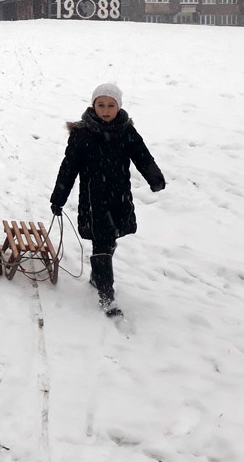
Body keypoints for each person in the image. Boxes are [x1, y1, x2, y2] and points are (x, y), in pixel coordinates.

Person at [50, 83, 165, 318]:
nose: (105, 110)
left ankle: (96, 276)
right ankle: (106, 295)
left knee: (110, 241)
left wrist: (155, 178)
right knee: (101, 244)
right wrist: (59, 198)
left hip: (119, 198)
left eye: (110, 105)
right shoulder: (82, 134)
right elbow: (68, 168)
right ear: (93, 106)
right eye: (100, 105)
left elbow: (143, 157)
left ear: (118, 107)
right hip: (93, 201)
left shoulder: (126, 131)